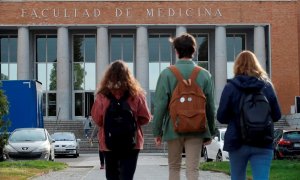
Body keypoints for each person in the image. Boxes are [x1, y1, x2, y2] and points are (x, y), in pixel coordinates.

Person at [152, 33, 216, 180]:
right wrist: (210, 131)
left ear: (176, 51)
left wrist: (157, 132)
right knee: (193, 169)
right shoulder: (205, 75)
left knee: (174, 168)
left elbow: (160, 105)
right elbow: (210, 107)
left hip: (173, 128)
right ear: (194, 50)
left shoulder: (166, 74)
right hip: (197, 128)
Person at [217, 50, 282, 180]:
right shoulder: (267, 86)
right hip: (263, 141)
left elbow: (221, 117)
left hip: (237, 141)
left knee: (237, 177)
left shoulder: (230, 87)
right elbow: (277, 115)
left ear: (236, 66)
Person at [91, 60, 151, 180]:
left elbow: (97, 120)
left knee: (112, 176)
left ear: (108, 76)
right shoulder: (136, 94)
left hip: (108, 142)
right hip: (132, 142)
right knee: (127, 176)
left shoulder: (102, 96)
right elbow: (146, 117)